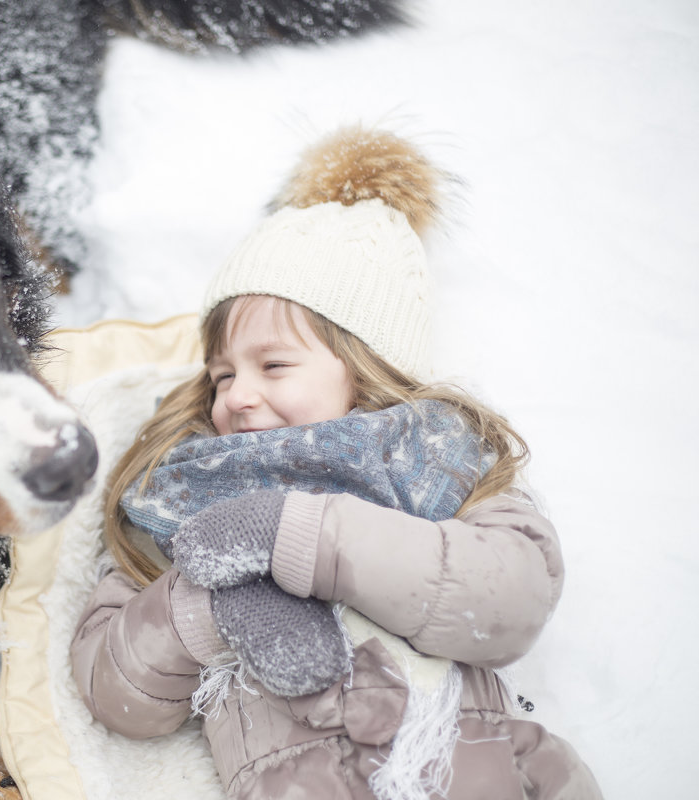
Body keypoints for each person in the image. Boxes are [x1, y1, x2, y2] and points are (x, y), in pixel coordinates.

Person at [69, 127, 603, 799]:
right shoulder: (181, 496)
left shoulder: (438, 462)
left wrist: (298, 533)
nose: (237, 395)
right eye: (221, 374)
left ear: (363, 366)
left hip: (485, 768)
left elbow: (509, 598)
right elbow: (114, 691)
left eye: (273, 365)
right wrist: (218, 604)